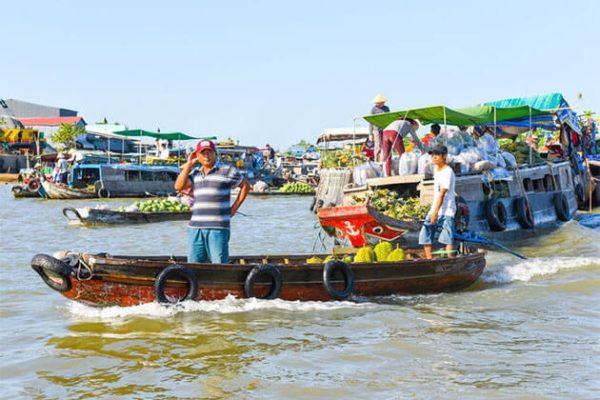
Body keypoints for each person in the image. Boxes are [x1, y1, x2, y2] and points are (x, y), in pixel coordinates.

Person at [174, 139, 250, 264]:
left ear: (215, 153)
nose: (207, 156)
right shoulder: (195, 173)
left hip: (218, 228)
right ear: (197, 155)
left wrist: (234, 209)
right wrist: (189, 164)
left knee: (219, 265)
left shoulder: (227, 171)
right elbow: (178, 186)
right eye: (203, 153)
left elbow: (245, 186)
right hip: (196, 228)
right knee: (194, 266)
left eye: (209, 152)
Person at [418, 145, 456, 259]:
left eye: (437, 154)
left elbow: (442, 193)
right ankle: (430, 260)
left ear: (444, 156)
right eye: (432, 155)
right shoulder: (436, 169)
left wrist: (435, 212)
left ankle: (450, 261)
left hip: (447, 209)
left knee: (447, 238)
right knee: (425, 233)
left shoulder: (448, 172)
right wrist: (434, 211)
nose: (434, 157)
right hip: (435, 208)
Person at [370, 94, 390, 162]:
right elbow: (370, 121)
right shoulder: (373, 109)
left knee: (384, 145)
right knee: (378, 145)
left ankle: (383, 160)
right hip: (376, 129)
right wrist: (370, 133)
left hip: (384, 129)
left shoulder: (386, 108)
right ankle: (376, 160)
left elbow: (388, 118)